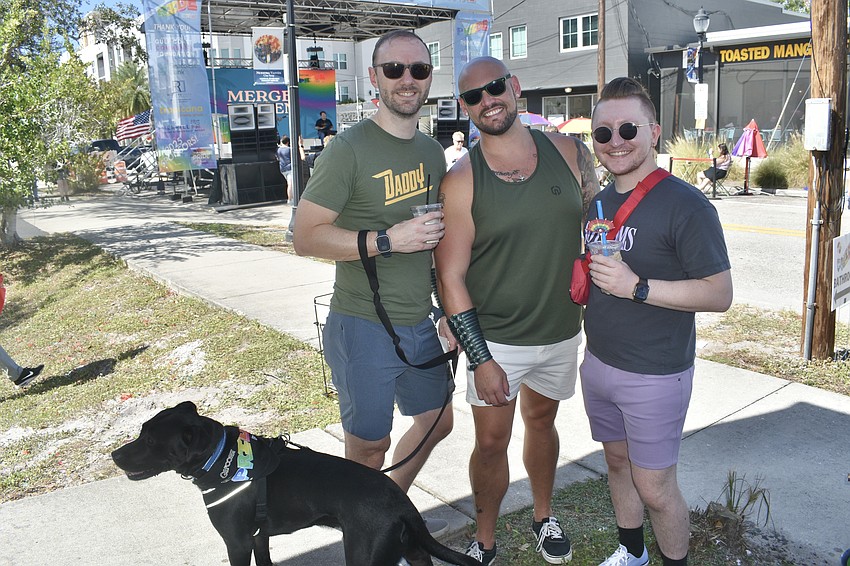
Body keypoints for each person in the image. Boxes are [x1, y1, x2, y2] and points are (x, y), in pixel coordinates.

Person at [435, 56, 600, 565]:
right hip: (497, 338)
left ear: (515, 87)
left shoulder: (571, 153)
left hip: (559, 331)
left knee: (543, 423)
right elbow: (451, 276)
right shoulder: (461, 181)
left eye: (495, 87)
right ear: (465, 108)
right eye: (473, 97)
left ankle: (543, 516)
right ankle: (484, 539)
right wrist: (480, 357)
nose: (488, 100)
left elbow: (598, 228)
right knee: (490, 442)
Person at [292, 30, 452, 540]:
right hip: (362, 322)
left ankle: (382, 508)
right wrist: (387, 240)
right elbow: (304, 237)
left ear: (429, 78)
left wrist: (447, 307)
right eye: (395, 70)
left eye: (418, 70)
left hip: (420, 320)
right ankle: (364, 535)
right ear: (374, 77)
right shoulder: (348, 150)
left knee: (437, 421)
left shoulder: (431, 153)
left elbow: (435, 243)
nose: (407, 80)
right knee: (368, 447)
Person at [582, 77, 732, 566]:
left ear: (654, 131)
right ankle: (632, 553)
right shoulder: (599, 203)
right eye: (602, 133)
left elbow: (719, 294)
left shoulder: (687, 204)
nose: (616, 141)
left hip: (655, 372)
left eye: (627, 128)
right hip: (600, 362)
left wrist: (638, 286)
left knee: (656, 486)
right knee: (616, 463)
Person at [275, 135, 293, 201]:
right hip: (290, 168)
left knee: (289, 183)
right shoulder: (289, 149)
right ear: (288, 142)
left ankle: (291, 198)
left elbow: (277, 158)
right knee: (290, 184)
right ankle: (290, 199)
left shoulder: (278, 150)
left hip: (282, 169)